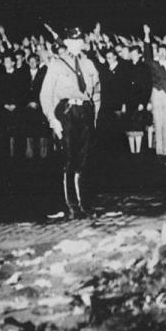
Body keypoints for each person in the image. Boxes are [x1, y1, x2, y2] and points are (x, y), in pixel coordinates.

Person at [39, 28, 101, 218]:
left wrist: (95, 115)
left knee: (84, 160)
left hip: (85, 112)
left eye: (80, 40)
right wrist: (52, 119)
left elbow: (97, 91)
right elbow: (46, 94)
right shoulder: (57, 65)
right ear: (67, 42)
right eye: (74, 41)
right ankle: (71, 205)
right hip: (66, 113)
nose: (78, 43)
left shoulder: (89, 64)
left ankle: (84, 203)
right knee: (68, 159)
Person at [143, 25, 166, 162]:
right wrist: (146, 35)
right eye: (160, 51)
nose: (162, 53)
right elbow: (146, 56)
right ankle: (159, 150)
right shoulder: (154, 64)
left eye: (165, 51)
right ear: (157, 52)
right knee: (158, 122)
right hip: (157, 94)